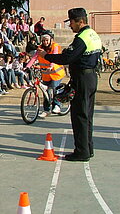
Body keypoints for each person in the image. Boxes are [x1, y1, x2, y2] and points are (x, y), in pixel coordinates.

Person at [37, 8, 102, 162]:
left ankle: (81, 152)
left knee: (79, 115)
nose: (70, 25)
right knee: (87, 115)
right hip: (91, 77)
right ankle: (88, 148)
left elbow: (67, 57)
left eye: (71, 22)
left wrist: (46, 56)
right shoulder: (93, 35)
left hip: (82, 79)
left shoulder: (82, 38)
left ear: (80, 21)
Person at [26, 30, 65, 117]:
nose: (45, 42)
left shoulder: (55, 46)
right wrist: (27, 67)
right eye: (43, 40)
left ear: (51, 40)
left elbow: (54, 56)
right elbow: (34, 58)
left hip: (56, 73)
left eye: (47, 40)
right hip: (46, 74)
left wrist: (51, 65)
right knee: (45, 92)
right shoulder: (40, 48)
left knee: (53, 88)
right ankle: (46, 110)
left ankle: (57, 105)